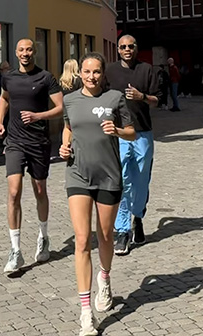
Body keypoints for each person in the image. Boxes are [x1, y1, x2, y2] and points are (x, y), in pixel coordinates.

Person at [59, 52, 136, 335]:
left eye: (96, 72)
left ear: (103, 74)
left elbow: (132, 132)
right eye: (87, 71)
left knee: (104, 236)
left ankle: (104, 277)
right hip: (77, 173)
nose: (91, 77)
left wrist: (117, 130)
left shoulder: (115, 98)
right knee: (82, 240)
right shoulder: (69, 100)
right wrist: (64, 146)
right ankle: (85, 313)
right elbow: (68, 129)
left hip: (109, 176)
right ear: (79, 73)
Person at [0, 39, 64, 276]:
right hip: (14, 142)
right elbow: (4, 98)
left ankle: (43, 236)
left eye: (29, 49)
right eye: (21, 50)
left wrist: (38, 116)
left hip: (38, 142)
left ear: (35, 52)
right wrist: (0, 122)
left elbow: (60, 107)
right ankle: (15, 250)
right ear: (16, 53)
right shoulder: (8, 78)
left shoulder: (46, 78)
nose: (25, 53)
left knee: (40, 191)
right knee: (14, 192)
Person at [105, 34, 159, 256]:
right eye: (123, 47)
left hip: (142, 132)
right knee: (123, 180)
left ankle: (138, 217)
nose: (127, 49)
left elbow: (157, 100)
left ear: (136, 48)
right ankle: (123, 230)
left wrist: (141, 96)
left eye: (130, 46)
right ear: (118, 50)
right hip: (119, 134)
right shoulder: (110, 71)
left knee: (141, 180)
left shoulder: (147, 70)